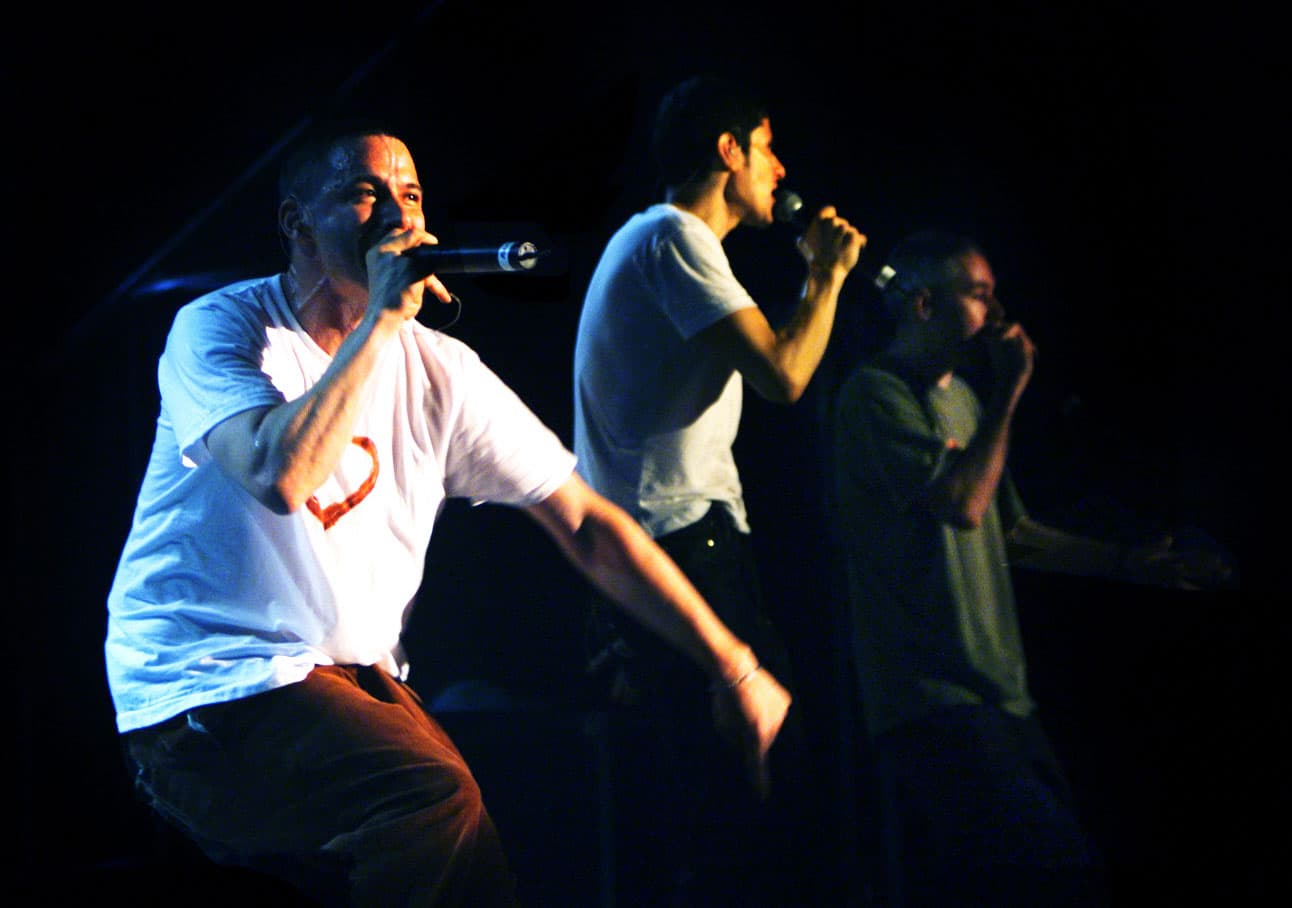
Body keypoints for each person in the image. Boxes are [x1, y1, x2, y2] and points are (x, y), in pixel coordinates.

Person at [102, 118, 793, 908]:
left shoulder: (441, 371)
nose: (399, 219)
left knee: (487, 854)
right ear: (296, 222)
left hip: (344, 683)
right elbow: (280, 472)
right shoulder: (222, 327)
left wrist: (734, 664)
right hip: (204, 684)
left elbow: (586, 522)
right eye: (365, 196)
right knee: (431, 798)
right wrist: (382, 321)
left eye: (412, 196)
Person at [829, 228, 1236, 907]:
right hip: (933, 701)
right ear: (923, 305)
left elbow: (1008, 530)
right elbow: (961, 504)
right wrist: (1013, 388)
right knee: (1056, 880)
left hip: (1002, 699)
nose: (996, 315)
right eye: (980, 296)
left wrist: (1130, 562)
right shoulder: (874, 397)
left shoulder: (962, 399)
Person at [571, 74, 865, 905]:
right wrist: (828, 276)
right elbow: (784, 375)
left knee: (737, 780)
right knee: (747, 781)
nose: (778, 169)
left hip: (675, 544)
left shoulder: (664, 246)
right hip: (680, 542)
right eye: (766, 147)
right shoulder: (673, 235)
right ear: (728, 151)